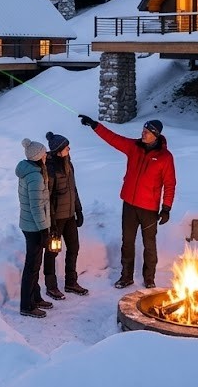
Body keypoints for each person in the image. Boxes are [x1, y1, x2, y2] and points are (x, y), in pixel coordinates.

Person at [78, 114, 176, 289]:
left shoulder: (165, 157)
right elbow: (113, 139)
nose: (143, 134)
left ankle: (149, 278)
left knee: (149, 245)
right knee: (127, 242)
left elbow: (170, 184)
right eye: (143, 130)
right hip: (129, 205)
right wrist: (94, 125)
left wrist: (166, 207)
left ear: (155, 135)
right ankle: (126, 276)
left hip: (149, 209)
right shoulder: (134, 147)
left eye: (146, 132)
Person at [43, 131, 88, 299]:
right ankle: (51, 286)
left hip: (69, 216)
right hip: (56, 219)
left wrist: (79, 210)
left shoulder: (68, 163)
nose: (69, 148)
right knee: (52, 251)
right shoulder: (50, 168)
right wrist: (52, 223)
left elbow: (73, 189)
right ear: (58, 151)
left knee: (74, 247)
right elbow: (47, 197)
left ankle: (71, 281)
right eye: (66, 147)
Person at [16, 138, 54, 318]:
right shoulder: (35, 177)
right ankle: (27, 305)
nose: (46, 155)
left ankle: (35, 298)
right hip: (34, 227)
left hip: (30, 224)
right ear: (38, 157)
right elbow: (36, 206)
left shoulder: (31, 171)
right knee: (32, 266)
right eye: (44, 153)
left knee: (35, 264)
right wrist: (43, 230)